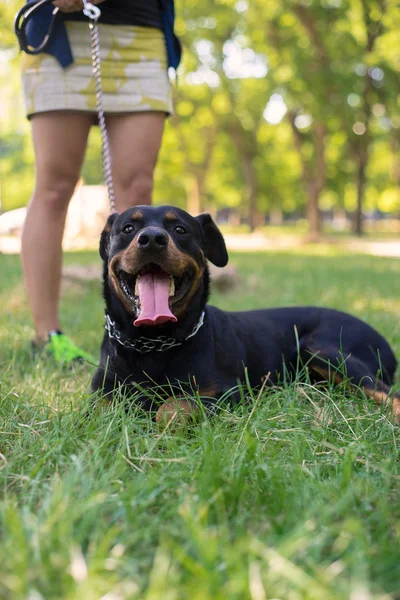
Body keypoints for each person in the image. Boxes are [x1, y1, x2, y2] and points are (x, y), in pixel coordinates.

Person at [18, 0, 181, 365]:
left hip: (140, 31)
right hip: (58, 34)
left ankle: (138, 333)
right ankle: (47, 336)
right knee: (54, 186)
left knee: (138, 191)